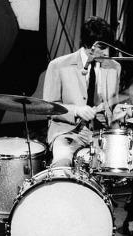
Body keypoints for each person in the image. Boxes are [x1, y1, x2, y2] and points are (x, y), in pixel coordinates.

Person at [43, 16, 123, 167]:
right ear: (90, 46)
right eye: (102, 47)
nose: (107, 52)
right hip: (67, 132)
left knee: (118, 164)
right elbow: (48, 108)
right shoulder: (58, 66)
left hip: (101, 133)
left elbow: (113, 105)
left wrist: (119, 111)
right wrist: (76, 110)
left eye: (108, 47)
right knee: (62, 162)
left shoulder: (114, 67)